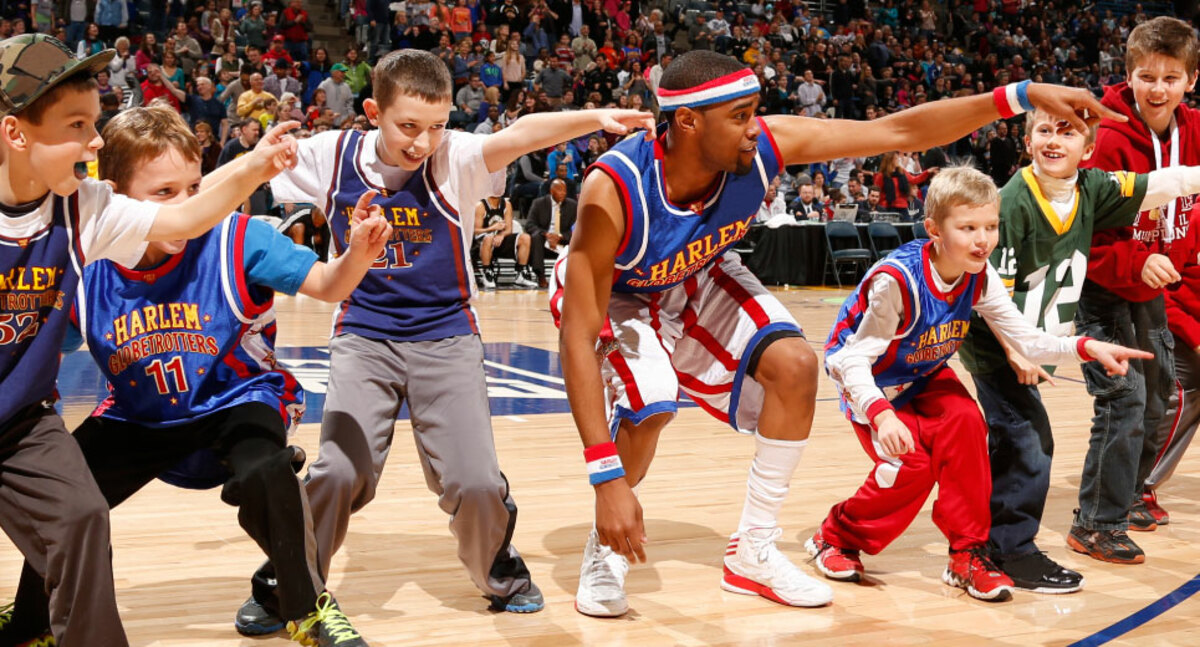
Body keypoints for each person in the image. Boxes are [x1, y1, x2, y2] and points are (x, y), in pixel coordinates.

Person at [552, 49, 1120, 618]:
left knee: (796, 366)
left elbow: (896, 131)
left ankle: (752, 552)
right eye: (740, 116)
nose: (754, 128)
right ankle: (607, 546)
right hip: (619, 292)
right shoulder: (615, 187)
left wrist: (1017, 96)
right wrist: (605, 478)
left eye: (756, 112)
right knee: (649, 406)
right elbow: (577, 334)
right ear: (687, 121)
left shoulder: (764, 146)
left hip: (698, 270)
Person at [232, 48, 656, 633]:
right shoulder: (331, 155)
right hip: (363, 334)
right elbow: (249, 177)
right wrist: (252, 159)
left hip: (447, 334)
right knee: (338, 473)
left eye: (436, 126)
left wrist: (594, 117)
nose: (422, 142)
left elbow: (522, 133)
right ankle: (292, 582)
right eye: (408, 126)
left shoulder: (454, 155)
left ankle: (499, 570)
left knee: (475, 482)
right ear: (372, 113)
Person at [5, 104, 389, 646]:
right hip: (139, 412)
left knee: (268, 470)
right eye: (164, 193)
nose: (185, 206)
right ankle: (33, 621)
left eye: (192, 187)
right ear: (113, 197)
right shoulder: (85, 258)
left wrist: (359, 254)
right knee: (66, 494)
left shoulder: (238, 236)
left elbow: (329, 285)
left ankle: (306, 607)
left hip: (235, 398)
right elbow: (46, 346)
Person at [0, 34, 298, 647]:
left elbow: (183, 215)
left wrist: (255, 165)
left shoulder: (85, 207)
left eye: (95, 122)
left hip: (22, 423)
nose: (95, 140)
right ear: (16, 133)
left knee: (81, 517)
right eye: (77, 125)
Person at [812, 166, 1150, 602]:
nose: (983, 240)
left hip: (923, 373)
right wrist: (880, 415)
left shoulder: (980, 274)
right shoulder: (895, 281)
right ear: (934, 229)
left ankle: (967, 555)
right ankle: (835, 537)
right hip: (872, 381)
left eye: (990, 227)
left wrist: (1085, 346)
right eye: (968, 228)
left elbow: (1025, 338)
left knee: (969, 424)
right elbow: (852, 360)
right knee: (912, 466)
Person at [962, 102, 1200, 592]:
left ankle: (989, 540)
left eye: (1067, 132)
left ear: (1089, 150)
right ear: (1027, 142)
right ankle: (1007, 549)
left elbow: (1165, 183)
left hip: (1041, 340)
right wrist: (1016, 350)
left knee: (1026, 439)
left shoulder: (1091, 187)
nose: (1054, 139)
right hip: (999, 341)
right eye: (1045, 130)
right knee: (1027, 441)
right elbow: (990, 291)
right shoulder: (1013, 202)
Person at [1081, 17, 1200, 549]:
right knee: (1124, 403)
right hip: (1105, 288)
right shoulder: (1107, 139)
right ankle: (1097, 520)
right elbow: (1082, 231)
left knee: (1154, 400)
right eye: (1147, 77)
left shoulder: (1195, 132)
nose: (1158, 89)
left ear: (1191, 80)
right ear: (1127, 74)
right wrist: (1136, 259)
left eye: (1171, 78)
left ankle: (1129, 494)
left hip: (1154, 290)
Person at [474, 195, 536, 289]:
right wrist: (492, 228)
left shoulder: (506, 204)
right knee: (488, 238)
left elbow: (509, 230)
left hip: (499, 240)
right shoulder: (481, 205)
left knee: (525, 237)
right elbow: (475, 230)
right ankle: (487, 273)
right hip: (482, 242)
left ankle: (521, 274)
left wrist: (501, 235)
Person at [527, 178, 577, 288]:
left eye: (564, 190)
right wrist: (547, 235)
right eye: (559, 190)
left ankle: (571, 279)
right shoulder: (539, 203)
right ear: (551, 191)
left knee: (577, 238)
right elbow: (530, 225)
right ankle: (541, 276)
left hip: (563, 241)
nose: (563, 193)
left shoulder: (573, 205)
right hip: (544, 240)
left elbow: (575, 228)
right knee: (536, 237)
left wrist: (560, 237)